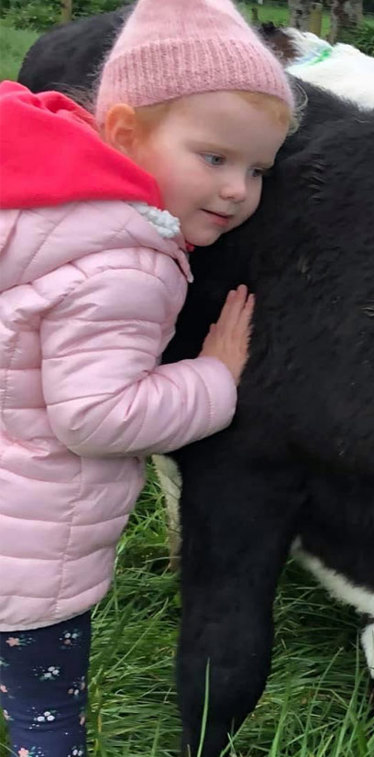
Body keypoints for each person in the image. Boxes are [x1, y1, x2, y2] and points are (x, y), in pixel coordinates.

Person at [0, 0, 295, 753]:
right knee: (45, 718)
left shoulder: (42, 211)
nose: (238, 189)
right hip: (29, 563)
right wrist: (216, 377)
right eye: (216, 158)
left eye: (258, 168)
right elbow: (94, 416)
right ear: (127, 133)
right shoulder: (127, 264)